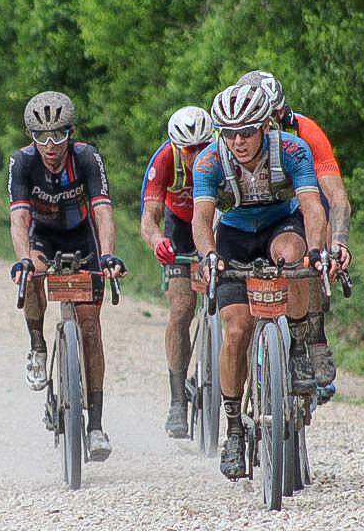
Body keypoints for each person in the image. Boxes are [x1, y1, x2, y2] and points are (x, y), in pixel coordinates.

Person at [191, 82, 333, 479]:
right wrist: (208, 256)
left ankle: (301, 344)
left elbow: (311, 207)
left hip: (279, 225)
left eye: (248, 131)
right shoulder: (208, 162)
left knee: (295, 258)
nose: (238, 141)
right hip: (234, 236)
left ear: (265, 126)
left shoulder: (291, 149)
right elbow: (201, 220)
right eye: (229, 132)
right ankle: (234, 428)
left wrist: (318, 250)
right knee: (236, 329)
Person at [8, 91, 127, 462]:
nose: (50, 145)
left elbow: (103, 212)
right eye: (41, 137)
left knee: (90, 326)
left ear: (70, 133)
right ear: (31, 138)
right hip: (42, 237)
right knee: (31, 274)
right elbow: (19, 219)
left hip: (83, 238)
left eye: (58, 135)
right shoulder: (22, 163)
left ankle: (95, 426)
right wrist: (24, 259)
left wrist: (107, 255)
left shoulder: (87, 157)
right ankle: (37, 347)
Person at [236, 70, 352, 402]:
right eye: (264, 118)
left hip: (299, 207)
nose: (272, 124)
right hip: (246, 210)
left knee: (313, 248)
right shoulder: (235, 137)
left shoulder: (305, 131)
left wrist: (337, 243)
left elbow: (337, 197)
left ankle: (313, 337)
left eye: (278, 115)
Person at [139, 105, 216, 437]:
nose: (195, 155)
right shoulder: (164, 160)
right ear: (177, 146)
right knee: (182, 308)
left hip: (216, 225)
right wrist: (158, 241)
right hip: (180, 229)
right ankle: (177, 403)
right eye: (189, 150)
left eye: (202, 147)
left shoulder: (222, 155)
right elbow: (149, 217)